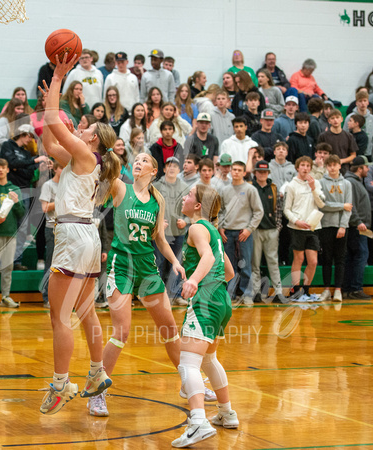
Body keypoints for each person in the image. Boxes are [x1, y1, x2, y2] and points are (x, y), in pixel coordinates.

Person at [38, 53, 121, 415]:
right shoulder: (84, 159)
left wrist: (58, 77)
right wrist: (45, 107)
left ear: (93, 140)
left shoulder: (87, 155)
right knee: (86, 312)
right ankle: (97, 371)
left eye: (86, 129)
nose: (82, 128)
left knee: (60, 317)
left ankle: (60, 383)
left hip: (72, 236)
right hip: (88, 236)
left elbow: (57, 123)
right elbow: (49, 143)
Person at [95, 152, 187, 417]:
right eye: (136, 159)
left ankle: (188, 383)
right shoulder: (120, 186)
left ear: (154, 171)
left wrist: (175, 262)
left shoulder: (157, 200)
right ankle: (98, 391)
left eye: (145, 160)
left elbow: (158, 237)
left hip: (147, 267)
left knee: (170, 328)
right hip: (122, 265)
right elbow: (102, 169)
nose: (139, 162)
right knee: (121, 332)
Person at [171, 184, 238, 448]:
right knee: (209, 359)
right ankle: (226, 412)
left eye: (189, 195)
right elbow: (229, 272)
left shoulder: (197, 227)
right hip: (222, 299)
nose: (185, 197)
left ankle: (198, 421)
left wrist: (195, 280)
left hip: (206, 300)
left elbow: (208, 257)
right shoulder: (214, 232)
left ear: (198, 205)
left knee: (188, 362)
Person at [218, 161, 264, 304]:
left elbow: (258, 211)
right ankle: (230, 294)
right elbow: (219, 211)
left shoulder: (250, 189)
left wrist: (249, 229)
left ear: (244, 173)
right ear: (231, 171)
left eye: (239, 170)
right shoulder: (224, 190)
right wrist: (220, 227)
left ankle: (247, 294)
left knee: (245, 264)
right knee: (229, 265)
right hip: (227, 233)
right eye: (234, 169)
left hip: (244, 233)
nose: (236, 172)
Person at [0, 124, 44, 271]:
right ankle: (3, 260)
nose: (29, 139)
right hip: (9, 189)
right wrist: (30, 163)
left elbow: (29, 173)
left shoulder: (26, 153)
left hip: (24, 190)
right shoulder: (7, 145)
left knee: (23, 226)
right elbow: (10, 163)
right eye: (28, 136)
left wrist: (19, 168)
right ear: (22, 134)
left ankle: (16, 260)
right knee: (8, 223)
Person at [0, 158, 25, 309]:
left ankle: (6, 297)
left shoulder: (15, 190)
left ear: (8, 170)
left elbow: (21, 213)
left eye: (3, 167)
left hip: (10, 233)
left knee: (8, 267)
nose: (1, 170)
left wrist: (17, 202)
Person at [284, 156, 325, 302]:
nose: (306, 168)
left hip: (313, 227)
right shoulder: (291, 185)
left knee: (313, 261)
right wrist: (297, 221)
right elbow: (286, 209)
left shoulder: (316, 183)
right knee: (299, 259)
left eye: (308, 165)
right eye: (303, 165)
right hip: (297, 227)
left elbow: (321, 204)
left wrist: (313, 188)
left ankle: (306, 291)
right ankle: (295, 291)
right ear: (297, 167)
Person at [153, 156, 190, 305]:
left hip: (178, 233)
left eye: (175, 166)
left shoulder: (185, 187)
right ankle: (159, 294)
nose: (172, 168)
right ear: (164, 169)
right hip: (161, 234)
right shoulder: (156, 186)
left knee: (178, 263)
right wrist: (158, 221)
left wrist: (186, 221)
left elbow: (191, 209)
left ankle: (176, 295)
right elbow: (150, 205)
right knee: (159, 264)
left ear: (179, 169)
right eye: (169, 165)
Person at [250, 160, 287, 304]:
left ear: (268, 173)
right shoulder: (251, 187)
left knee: (273, 262)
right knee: (255, 263)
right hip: (255, 230)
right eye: (259, 172)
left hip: (271, 230)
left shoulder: (273, 188)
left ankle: (278, 292)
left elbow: (279, 209)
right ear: (255, 173)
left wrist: (277, 227)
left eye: (265, 172)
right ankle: (256, 292)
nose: (262, 174)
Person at [318, 155, 352, 303]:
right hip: (326, 225)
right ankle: (326, 289)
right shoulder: (321, 183)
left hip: (341, 227)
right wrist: (341, 206)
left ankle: (338, 290)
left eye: (335, 165)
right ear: (326, 167)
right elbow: (323, 205)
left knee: (340, 259)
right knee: (326, 258)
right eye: (329, 165)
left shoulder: (347, 184)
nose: (332, 168)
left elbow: (348, 207)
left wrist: (343, 226)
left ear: (339, 166)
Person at [344, 156, 371, 299]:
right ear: (360, 168)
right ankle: (354, 288)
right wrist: (358, 221)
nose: (368, 169)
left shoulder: (355, 182)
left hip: (357, 226)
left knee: (352, 257)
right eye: (366, 167)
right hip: (357, 226)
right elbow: (350, 204)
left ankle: (348, 288)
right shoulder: (351, 182)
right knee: (361, 255)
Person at [39, 160, 63, 308]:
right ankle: (46, 296)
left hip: (67, 229)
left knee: (65, 266)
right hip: (52, 228)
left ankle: (62, 297)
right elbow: (45, 207)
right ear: (55, 169)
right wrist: (61, 200)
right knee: (51, 264)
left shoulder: (69, 185)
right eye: (61, 167)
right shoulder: (48, 186)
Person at [318, 109, 358, 173]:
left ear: (341, 119)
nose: (335, 120)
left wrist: (341, 161)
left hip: (344, 169)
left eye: (337, 117)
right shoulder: (323, 136)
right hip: (328, 169)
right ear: (329, 121)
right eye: (332, 118)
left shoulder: (349, 136)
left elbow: (353, 155)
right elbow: (319, 155)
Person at [343, 90, 373, 161]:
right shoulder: (349, 117)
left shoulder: (372, 119)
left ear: (368, 102)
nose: (362, 103)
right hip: (353, 154)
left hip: (368, 154)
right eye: (360, 101)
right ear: (356, 103)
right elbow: (345, 135)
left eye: (364, 100)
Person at [0, 98, 25, 163]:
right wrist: (14, 144)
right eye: (18, 108)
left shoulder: (17, 121)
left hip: (11, 156)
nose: (20, 111)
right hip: (0, 156)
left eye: (22, 109)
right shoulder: (3, 120)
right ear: (12, 109)